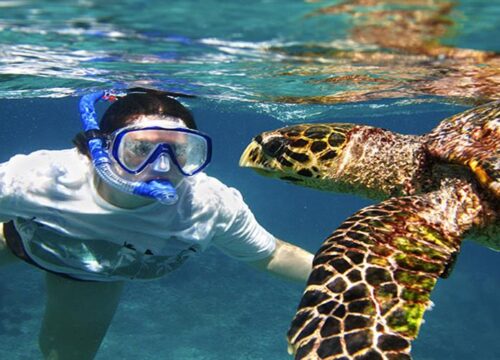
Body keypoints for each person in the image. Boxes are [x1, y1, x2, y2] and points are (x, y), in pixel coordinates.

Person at [0, 88, 313, 360]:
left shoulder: (208, 205)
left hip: (91, 277)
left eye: (179, 151)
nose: (162, 166)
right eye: (139, 149)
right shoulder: (40, 177)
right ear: (100, 149)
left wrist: (354, 280)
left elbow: (272, 256)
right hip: (18, 238)